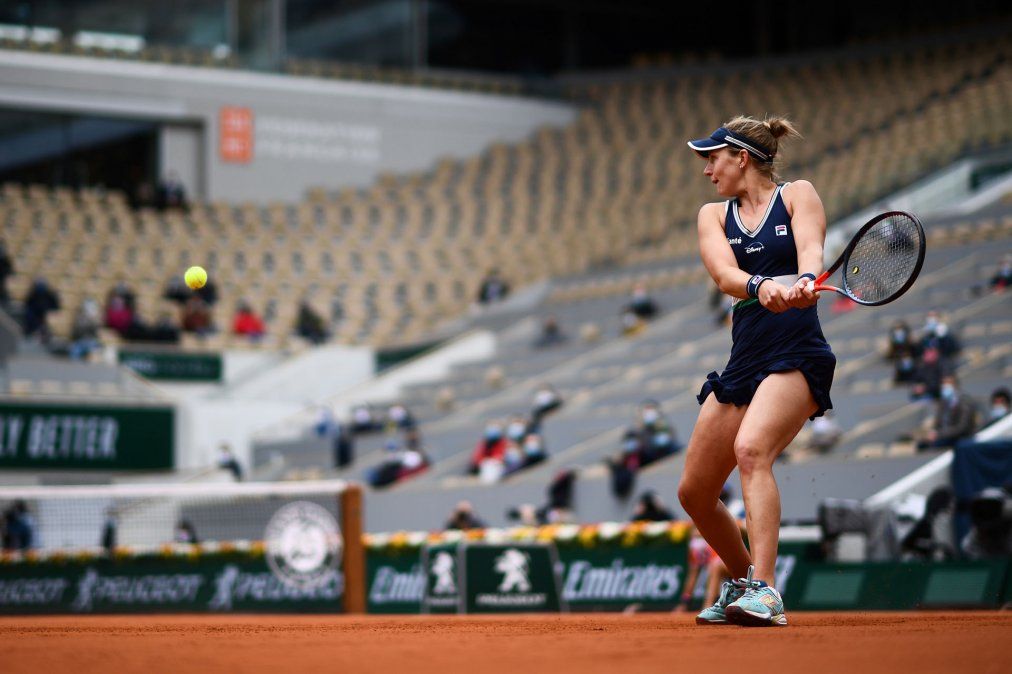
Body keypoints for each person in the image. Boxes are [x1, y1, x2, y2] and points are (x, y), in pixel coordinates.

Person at [678, 116, 836, 627]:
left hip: (796, 351)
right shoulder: (712, 216)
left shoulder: (799, 194)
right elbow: (725, 274)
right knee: (695, 493)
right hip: (744, 359)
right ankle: (747, 583)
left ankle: (767, 593)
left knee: (751, 450)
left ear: (740, 157)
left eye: (712, 158)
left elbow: (812, 247)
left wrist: (807, 278)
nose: (707, 170)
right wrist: (760, 286)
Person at [916, 375, 978, 450]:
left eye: (947, 385)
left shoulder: (965, 402)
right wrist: (933, 433)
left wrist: (939, 434)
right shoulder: (944, 402)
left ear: (955, 386)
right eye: (943, 385)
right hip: (946, 437)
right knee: (922, 445)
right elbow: (938, 423)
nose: (944, 388)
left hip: (962, 438)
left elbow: (962, 427)